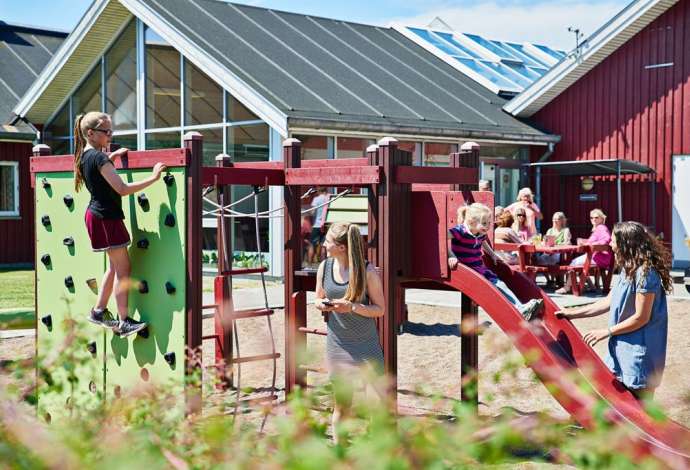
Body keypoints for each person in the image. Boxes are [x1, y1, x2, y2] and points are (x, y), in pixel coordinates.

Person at [74, 111, 166, 338]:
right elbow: (122, 189)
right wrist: (154, 178)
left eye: (111, 131)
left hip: (97, 216)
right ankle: (124, 321)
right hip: (106, 218)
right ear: (91, 133)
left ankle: (98, 311)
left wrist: (112, 156)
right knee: (124, 270)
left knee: (115, 267)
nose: (110, 135)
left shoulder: (86, 156)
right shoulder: (99, 158)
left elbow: (100, 174)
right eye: (106, 132)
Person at [556, 222, 671, 400]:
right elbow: (607, 302)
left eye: (614, 240)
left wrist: (606, 332)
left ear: (626, 243)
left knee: (641, 405)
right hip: (622, 347)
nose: (610, 244)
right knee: (618, 400)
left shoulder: (645, 273)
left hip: (640, 350)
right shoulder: (627, 269)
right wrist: (572, 313)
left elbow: (641, 318)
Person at [314, 222, 386, 444]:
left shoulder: (367, 271)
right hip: (338, 345)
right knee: (342, 406)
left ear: (342, 247)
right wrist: (322, 305)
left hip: (366, 345)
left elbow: (380, 309)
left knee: (377, 405)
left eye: (328, 241)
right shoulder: (324, 267)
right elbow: (317, 297)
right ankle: (340, 451)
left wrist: (353, 307)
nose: (324, 244)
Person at [448, 203, 543, 321]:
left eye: (488, 223)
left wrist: (492, 254)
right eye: (484, 223)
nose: (487, 226)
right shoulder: (460, 231)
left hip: (479, 269)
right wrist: (450, 256)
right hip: (468, 271)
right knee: (492, 290)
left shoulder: (480, 232)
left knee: (501, 284)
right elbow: (442, 238)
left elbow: (483, 242)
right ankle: (518, 309)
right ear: (471, 222)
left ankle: (520, 308)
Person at [556, 209, 611, 295]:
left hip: (598, 257)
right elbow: (594, 241)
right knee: (579, 264)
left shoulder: (601, 228)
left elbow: (606, 240)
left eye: (596, 217)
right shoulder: (598, 228)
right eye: (591, 218)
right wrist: (584, 241)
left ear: (601, 218)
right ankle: (591, 286)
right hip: (597, 256)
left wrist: (591, 244)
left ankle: (567, 287)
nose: (594, 219)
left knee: (574, 263)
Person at [309, 187, 330, 263]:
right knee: (324, 246)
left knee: (312, 245)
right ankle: (323, 264)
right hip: (326, 225)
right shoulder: (329, 198)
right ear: (326, 190)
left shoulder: (316, 199)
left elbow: (312, 212)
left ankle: (310, 264)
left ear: (319, 191)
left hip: (316, 225)